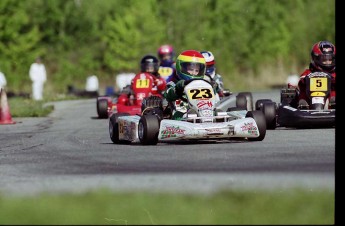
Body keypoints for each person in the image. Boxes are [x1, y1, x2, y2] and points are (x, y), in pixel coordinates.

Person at [163, 50, 206, 120]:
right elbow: (168, 95)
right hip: (180, 116)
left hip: (201, 112)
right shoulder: (172, 84)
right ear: (181, 68)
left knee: (217, 112)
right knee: (185, 114)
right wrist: (179, 87)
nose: (193, 73)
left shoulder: (202, 85)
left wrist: (214, 87)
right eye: (191, 69)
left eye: (196, 71)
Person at [295, 40, 336, 109]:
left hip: (330, 102)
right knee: (303, 92)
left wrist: (331, 79)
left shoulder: (334, 73)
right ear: (315, 58)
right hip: (310, 101)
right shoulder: (309, 72)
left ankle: (333, 104)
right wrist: (306, 79)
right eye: (324, 59)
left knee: (333, 93)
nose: (328, 62)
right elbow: (302, 79)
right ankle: (303, 106)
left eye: (330, 59)